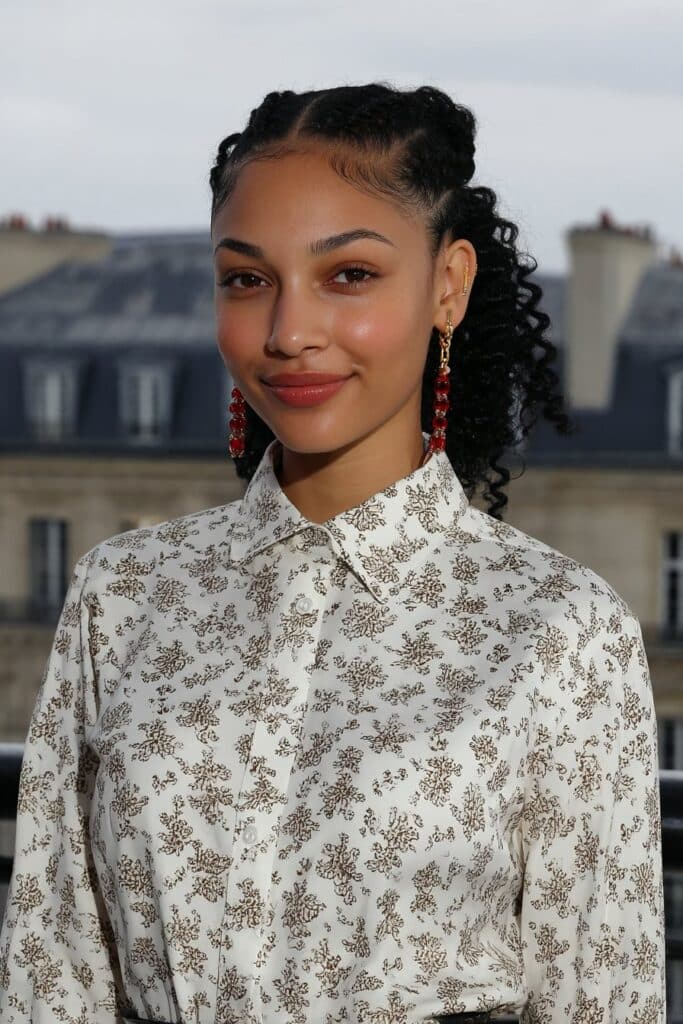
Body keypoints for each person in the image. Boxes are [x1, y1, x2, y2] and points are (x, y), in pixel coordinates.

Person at [0, 82, 666, 1024]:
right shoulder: (123, 594)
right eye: (246, 278)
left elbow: (604, 998)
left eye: (347, 275)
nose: (287, 333)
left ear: (449, 286)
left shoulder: (560, 627)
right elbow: (51, 971)